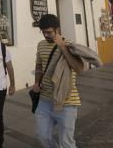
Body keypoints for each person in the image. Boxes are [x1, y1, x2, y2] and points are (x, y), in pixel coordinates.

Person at [32, 14, 84, 148]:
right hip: (44, 100)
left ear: (57, 29)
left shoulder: (69, 44)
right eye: (43, 32)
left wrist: (62, 47)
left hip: (66, 101)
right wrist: (36, 82)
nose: (46, 35)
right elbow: (39, 66)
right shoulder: (41, 45)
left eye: (49, 32)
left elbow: (79, 68)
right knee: (42, 136)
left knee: (66, 143)